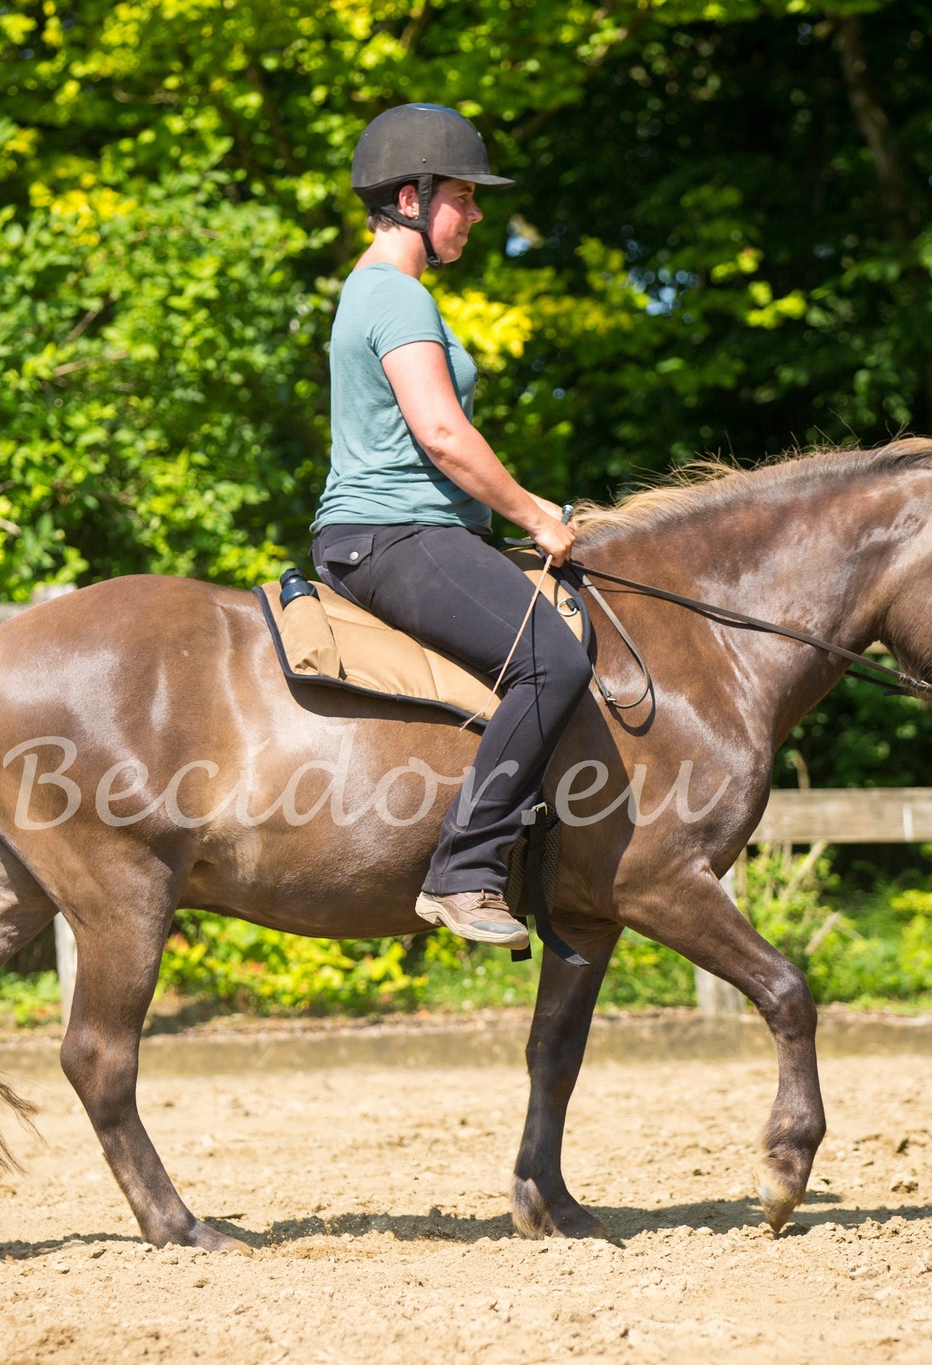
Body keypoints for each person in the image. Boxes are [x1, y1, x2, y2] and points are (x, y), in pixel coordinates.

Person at [310, 103, 592, 950]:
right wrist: (537, 513)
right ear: (411, 196)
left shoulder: (388, 294)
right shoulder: (393, 298)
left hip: (416, 531)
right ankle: (464, 872)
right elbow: (441, 433)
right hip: (393, 534)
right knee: (551, 659)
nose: (474, 215)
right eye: (463, 198)